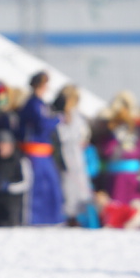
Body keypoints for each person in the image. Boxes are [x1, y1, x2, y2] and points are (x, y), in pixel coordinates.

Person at [19, 71, 64, 226]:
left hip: (44, 153)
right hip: (35, 153)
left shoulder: (40, 103)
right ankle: (37, 219)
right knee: (39, 188)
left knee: (51, 187)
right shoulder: (33, 104)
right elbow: (42, 125)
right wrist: (57, 118)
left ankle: (51, 218)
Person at [53, 84, 94, 226]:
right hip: (64, 156)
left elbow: (84, 134)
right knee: (66, 187)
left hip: (76, 157)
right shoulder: (58, 116)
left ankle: (79, 219)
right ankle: (67, 218)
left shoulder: (78, 116)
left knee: (80, 189)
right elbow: (61, 135)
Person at [0, 130, 32, 227]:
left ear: (11, 145)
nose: (0, 148)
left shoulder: (20, 160)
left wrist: (9, 187)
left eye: (3, 144)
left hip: (13, 204)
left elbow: (27, 183)